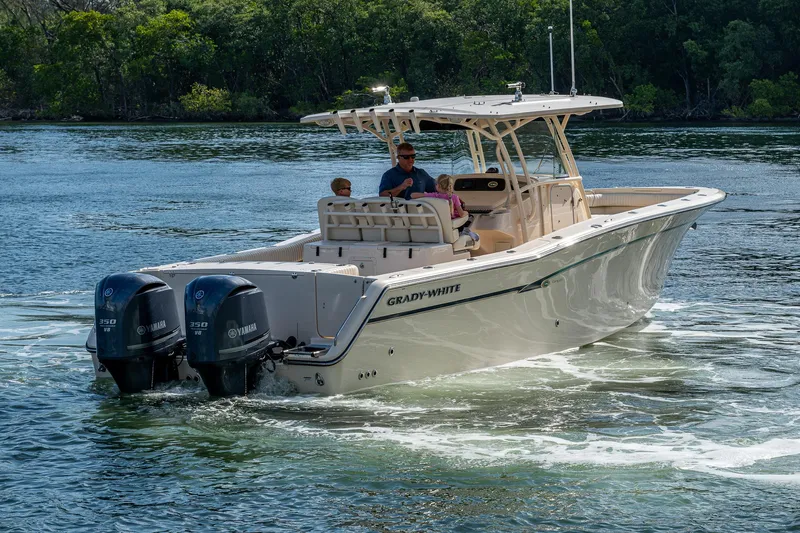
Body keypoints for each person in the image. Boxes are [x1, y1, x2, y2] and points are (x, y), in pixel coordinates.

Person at [412, 174, 479, 242]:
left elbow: (413, 195)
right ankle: (464, 231)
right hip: (452, 219)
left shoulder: (434, 196)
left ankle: (463, 231)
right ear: (450, 186)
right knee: (470, 216)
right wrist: (466, 213)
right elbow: (461, 214)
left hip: (439, 220)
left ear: (438, 186)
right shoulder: (454, 197)